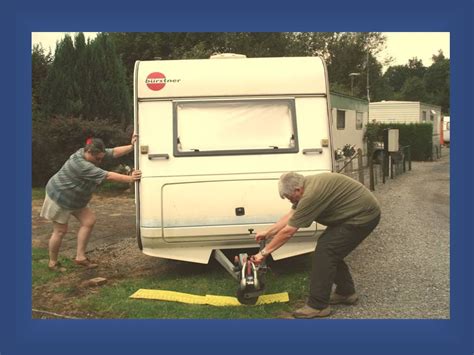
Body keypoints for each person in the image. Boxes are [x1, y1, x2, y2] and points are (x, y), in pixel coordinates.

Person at [252, 172, 381, 318]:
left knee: (326, 252)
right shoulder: (305, 186)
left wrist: (263, 253)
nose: (289, 201)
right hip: (350, 215)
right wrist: (268, 232)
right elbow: (292, 215)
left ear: (297, 190)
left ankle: (318, 306)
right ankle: (346, 293)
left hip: (362, 216)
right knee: (329, 250)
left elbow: (288, 231)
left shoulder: (311, 195)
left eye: (289, 197)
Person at [40, 135, 142, 271]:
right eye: (97, 158)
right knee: (60, 231)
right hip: (60, 197)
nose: (99, 161)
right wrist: (131, 178)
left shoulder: (93, 152)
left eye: (101, 157)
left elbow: (114, 152)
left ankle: (80, 257)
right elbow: (108, 176)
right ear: (88, 152)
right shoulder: (80, 165)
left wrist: (132, 146)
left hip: (77, 198)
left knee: (89, 221)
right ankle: (52, 263)